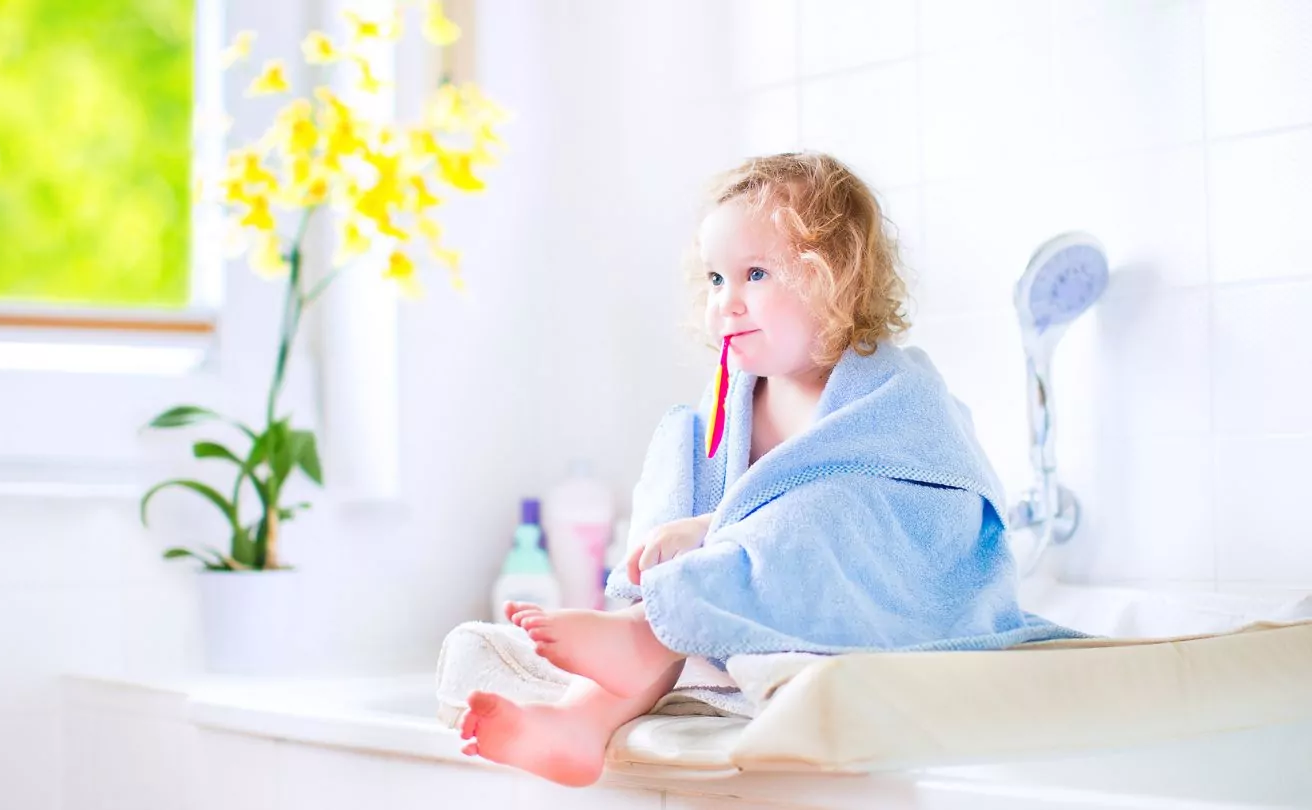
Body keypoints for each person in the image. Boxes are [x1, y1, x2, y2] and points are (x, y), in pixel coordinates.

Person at [456, 151, 1082, 787]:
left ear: (835, 279)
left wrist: (711, 530)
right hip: (744, 597)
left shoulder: (893, 390)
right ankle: (580, 723)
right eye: (716, 279)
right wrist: (690, 534)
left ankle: (645, 634)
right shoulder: (730, 401)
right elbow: (725, 510)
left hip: (887, 592)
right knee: (681, 453)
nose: (726, 303)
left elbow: (910, 510)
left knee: (824, 509)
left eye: (755, 274)